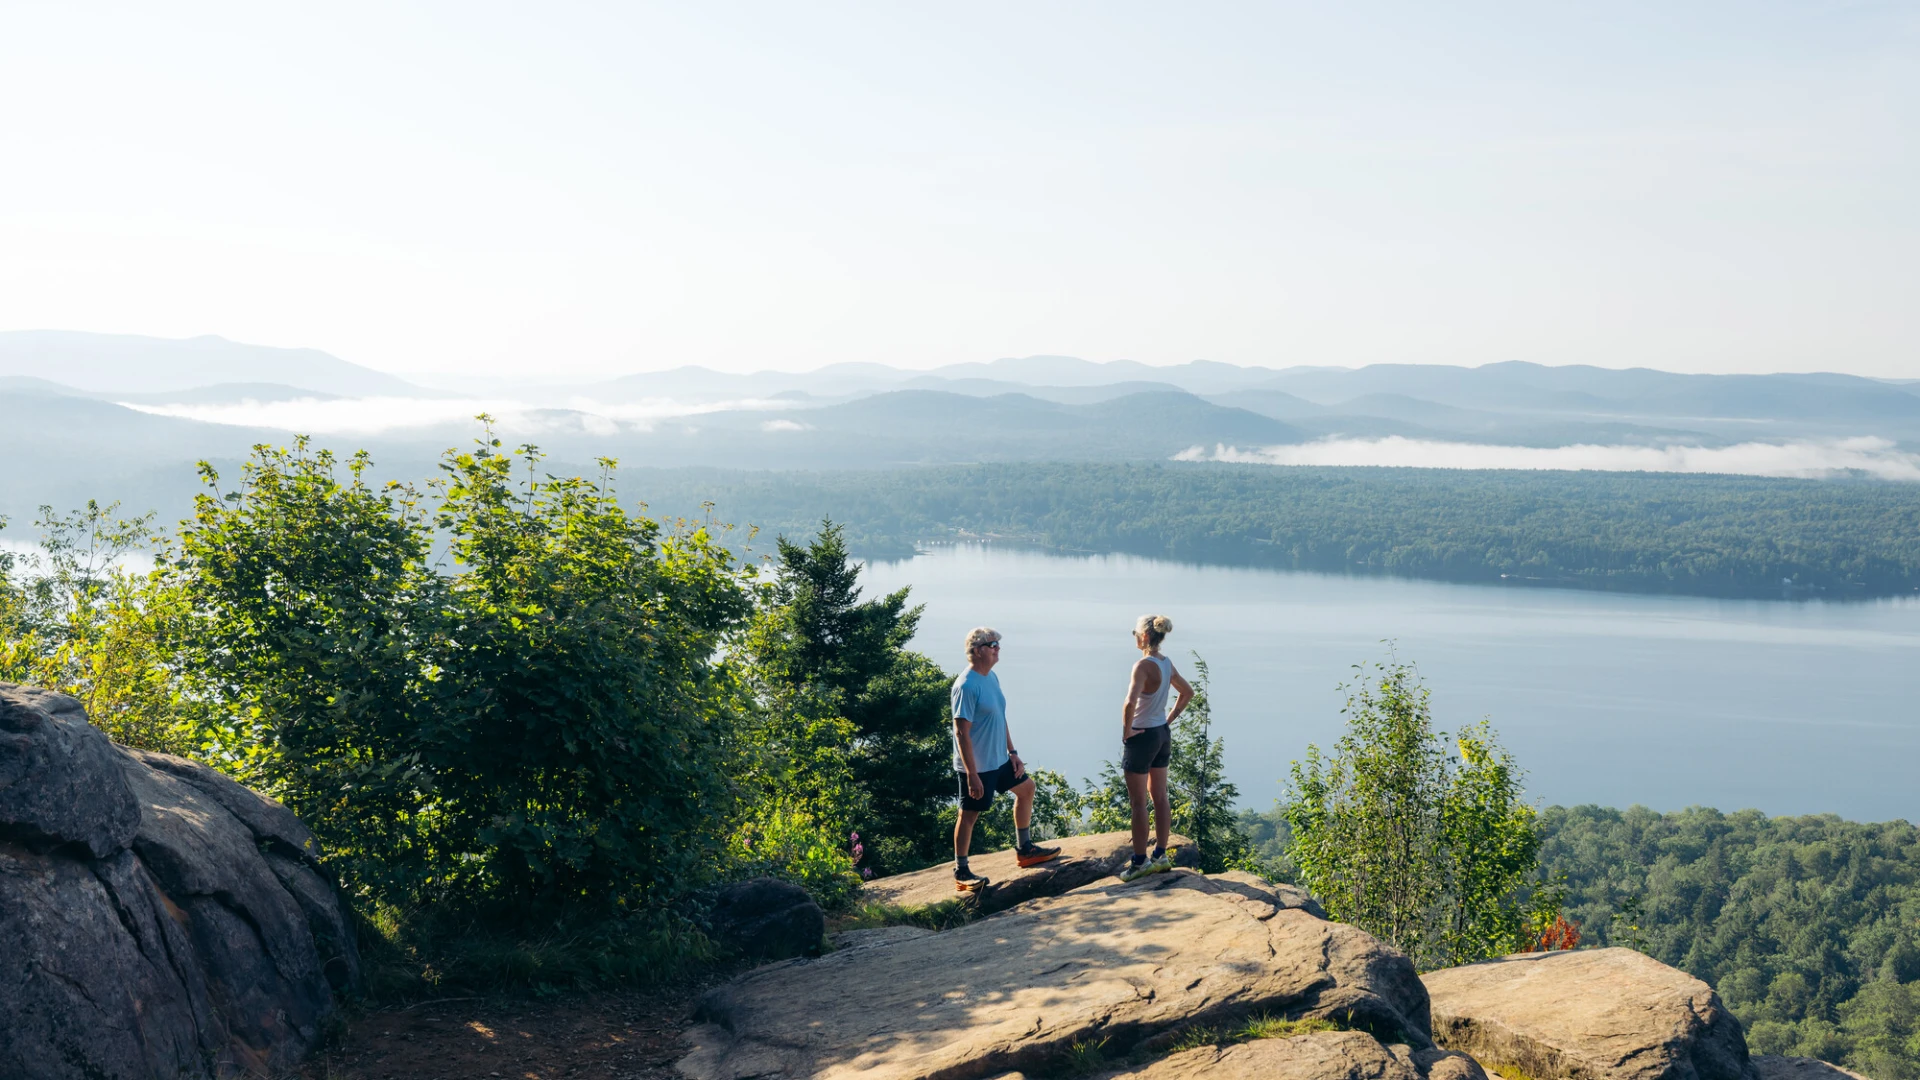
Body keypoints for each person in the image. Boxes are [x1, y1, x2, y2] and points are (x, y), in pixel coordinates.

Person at [951, 626, 1060, 890]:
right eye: (992, 645)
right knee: (969, 814)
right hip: (977, 765)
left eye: (998, 644)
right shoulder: (966, 685)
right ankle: (961, 872)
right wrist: (972, 774)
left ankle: (1024, 850)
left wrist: (1012, 752)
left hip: (999, 759)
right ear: (977, 651)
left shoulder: (991, 677)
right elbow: (961, 733)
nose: (998, 648)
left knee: (1027, 789)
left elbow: (999, 716)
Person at [1117, 614, 1193, 882]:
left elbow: (1129, 703)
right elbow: (1187, 692)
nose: (1135, 637)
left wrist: (1127, 732)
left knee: (1138, 803)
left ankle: (1139, 862)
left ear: (1145, 637)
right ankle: (1160, 855)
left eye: (1135, 633)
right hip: (1161, 734)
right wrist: (1168, 719)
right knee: (1160, 797)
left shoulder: (1143, 666)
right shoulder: (1166, 663)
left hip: (1142, 736)